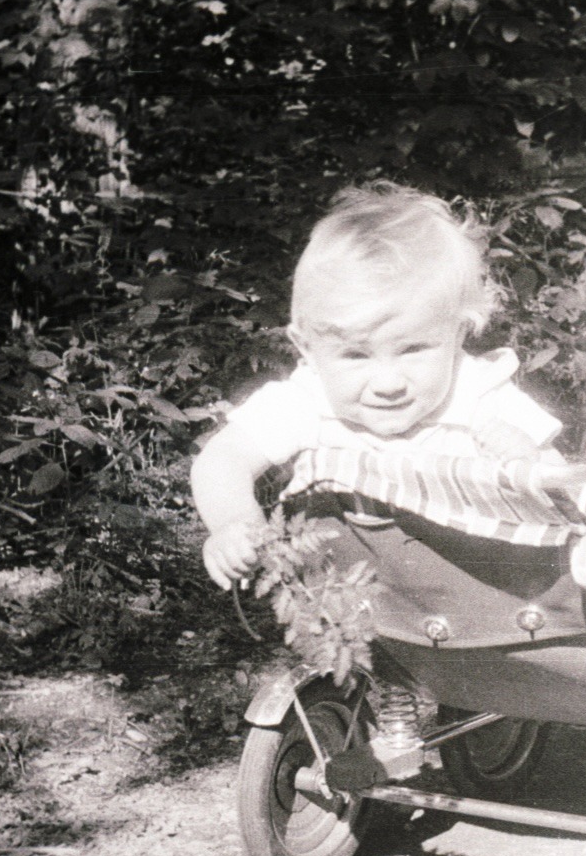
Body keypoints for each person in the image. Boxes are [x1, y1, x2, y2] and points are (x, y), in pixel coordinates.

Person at [192, 182, 563, 589]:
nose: (388, 384)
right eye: (355, 356)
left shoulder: (478, 393)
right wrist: (234, 524)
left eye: (412, 350)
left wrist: (530, 461)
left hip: (485, 603)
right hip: (362, 601)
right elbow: (223, 458)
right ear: (308, 348)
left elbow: (569, 493)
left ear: (457, 336)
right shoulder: (307, 400)